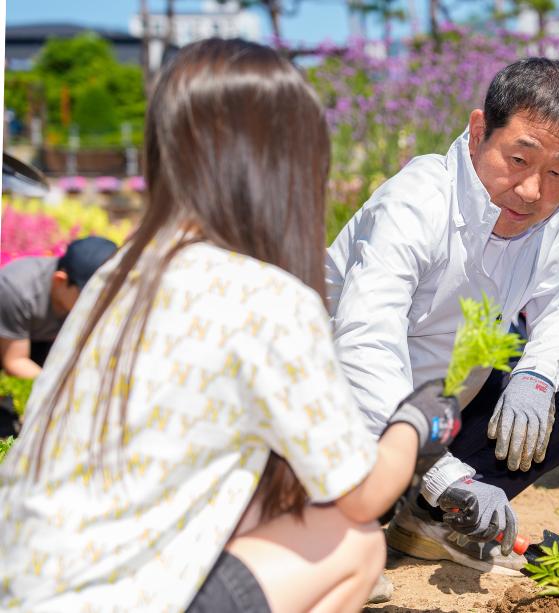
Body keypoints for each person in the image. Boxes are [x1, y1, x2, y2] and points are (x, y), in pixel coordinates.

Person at [0, 39, 461, 613]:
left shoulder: (123, 271)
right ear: (288, 169)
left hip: (24, 585)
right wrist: (416, 422)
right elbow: (360, 493)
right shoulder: (265, 297)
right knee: (354, 545)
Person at [326, 57, 559, 574]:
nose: (532, 191)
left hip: (444, 404)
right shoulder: (416, 201)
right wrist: (443, 474)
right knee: (347, 562)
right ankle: (391, 512)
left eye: (558, 171)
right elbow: (364, 345)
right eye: (519, 160)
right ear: (480, 130)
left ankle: (430, 523)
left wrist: (536, 376)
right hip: (344, 409)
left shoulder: (551, 214)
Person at [0, 236, 117, 379]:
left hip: (45, 337)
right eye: (91, 296)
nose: (100, 305)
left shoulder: (72, 297)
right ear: (60, 280)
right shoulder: (17, 290)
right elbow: (15, 361)